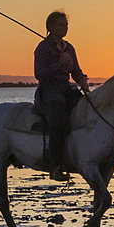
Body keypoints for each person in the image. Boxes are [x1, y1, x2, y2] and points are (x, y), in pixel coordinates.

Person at [34, 11, 90, 182]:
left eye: (66, 24)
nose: (65, 27)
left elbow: (76, 72)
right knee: (59, 122)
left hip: (66, 88)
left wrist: (83, 82)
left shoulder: (69, 48)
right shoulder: (43, 47)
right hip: (49, 90)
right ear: (50, 27)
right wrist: (58, 63)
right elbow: (39, 74)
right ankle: (55, 165)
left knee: (87, 113)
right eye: (61, 24)